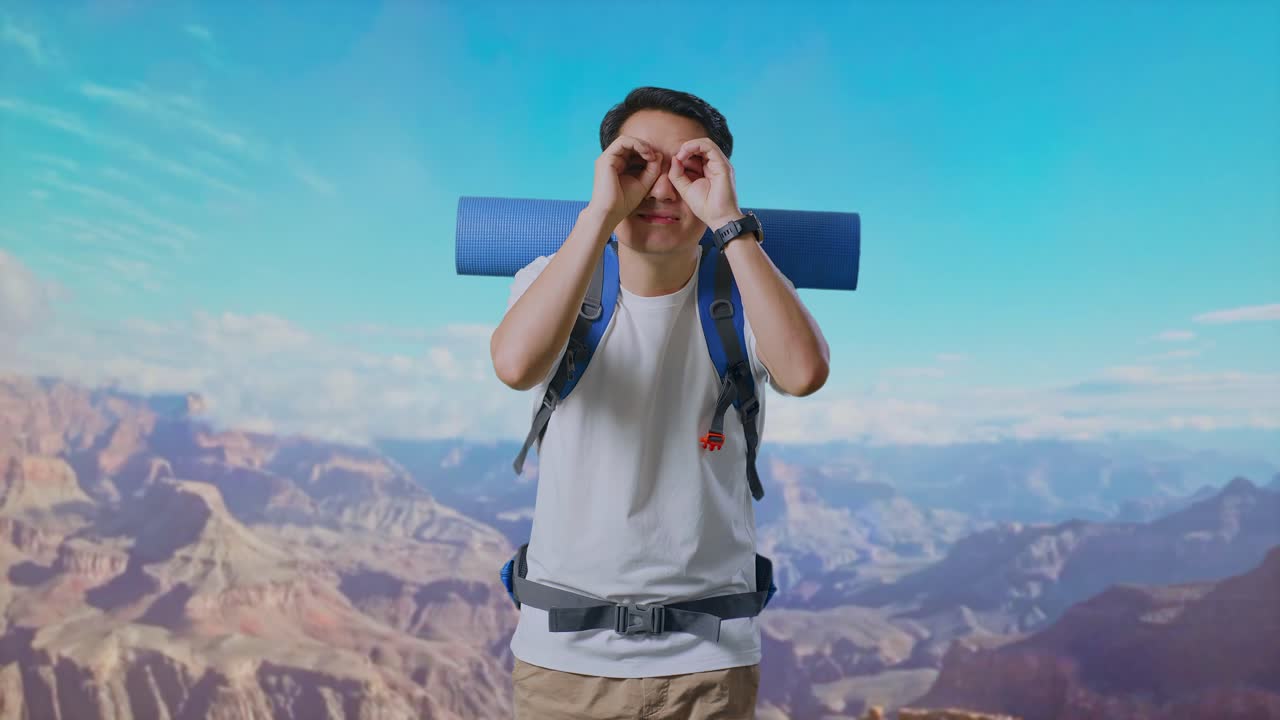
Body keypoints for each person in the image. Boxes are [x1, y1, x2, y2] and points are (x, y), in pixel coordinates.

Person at [491, 86, 830, 719]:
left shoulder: (749, 285)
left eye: (688, 167)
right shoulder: (551, 278)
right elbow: (515, 366)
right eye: (640, 164)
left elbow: (805, 372)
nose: (664, 189)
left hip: (709, 662)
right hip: (566, 660)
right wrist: (600, 214)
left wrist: (729, 223)